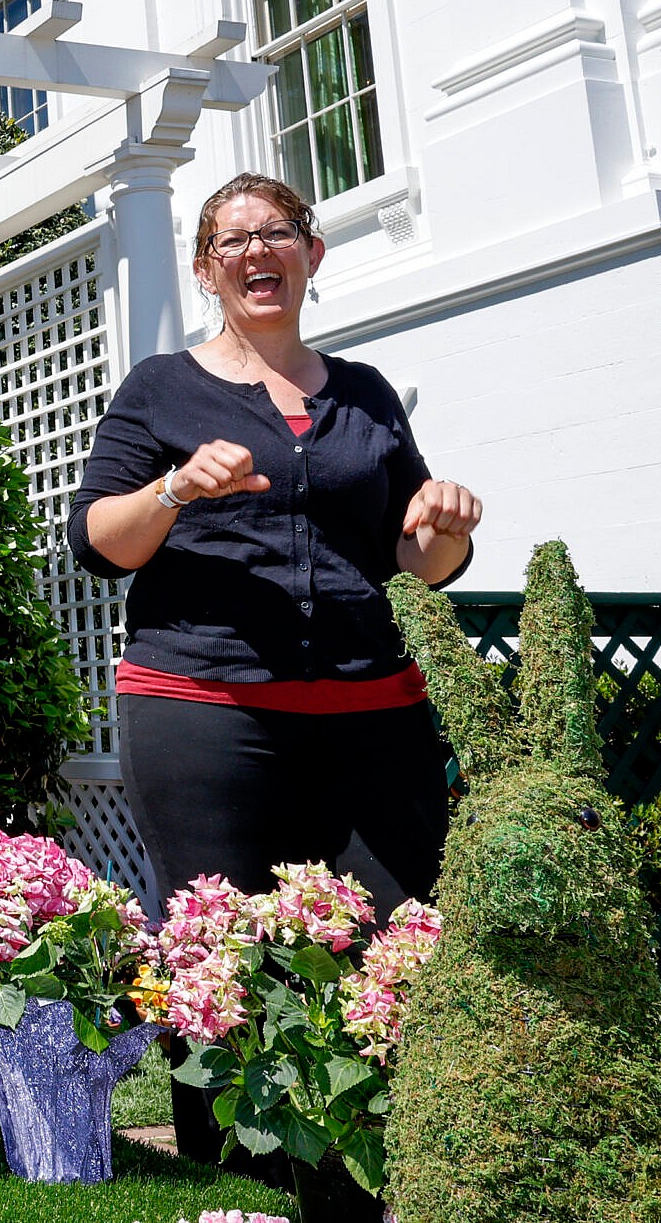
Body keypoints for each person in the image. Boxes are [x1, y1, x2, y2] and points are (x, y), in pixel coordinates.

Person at [68, 171, 483, 911]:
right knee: (221, 963)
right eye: (232, 239)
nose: (257, 250)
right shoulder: (160, 387)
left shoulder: (367, 392)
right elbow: (100, 543)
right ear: (205, 269)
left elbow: (415, 558)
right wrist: (175, 487)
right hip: (205, 710)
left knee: (406, 945)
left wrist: (443, 527)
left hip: (374, 714)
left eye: (278, 233)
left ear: (312, 254)